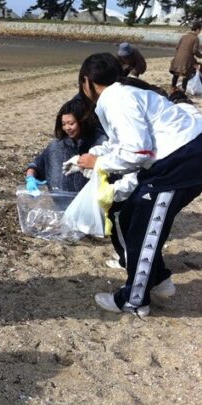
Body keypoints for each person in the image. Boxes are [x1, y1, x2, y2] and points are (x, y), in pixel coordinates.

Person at [75, 53, 202, 317]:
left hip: (180, 161)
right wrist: (95, 155)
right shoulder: (124, 92)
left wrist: (98, 163)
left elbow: (138, 152)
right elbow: (124, 141)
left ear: (87, 81)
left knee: (144, 229)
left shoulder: (117, 99)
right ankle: (159, 280)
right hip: (176, 157)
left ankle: (134, 301)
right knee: (129, 216)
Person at [25, 97, 107, 194]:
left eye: (71, 123)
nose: (67, 128)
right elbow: (36, 166)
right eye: (64, 124)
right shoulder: (56, 146)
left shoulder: (101, 143)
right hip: (62, 202)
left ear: (82, 122)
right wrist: (30, 178)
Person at [170, 21, 202, 93]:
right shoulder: (195, 38)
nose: (200, 32)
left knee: (176, 74)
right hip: (186, 61)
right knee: (186, 74)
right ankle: (183, 90)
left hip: (177, 58)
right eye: (200, 30)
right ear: (197, 29)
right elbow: (194, 51)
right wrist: (200, 55)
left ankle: (172, 88)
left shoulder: (183, 36)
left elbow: (177, 47)